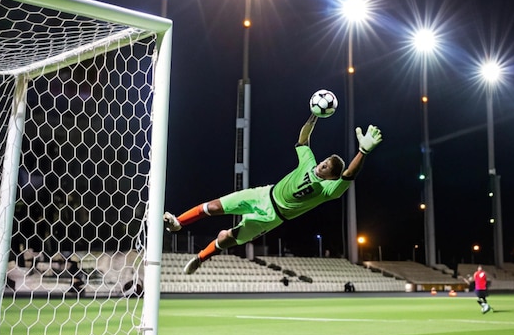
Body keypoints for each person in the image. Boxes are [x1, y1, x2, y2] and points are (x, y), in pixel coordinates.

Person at [163, 113, 383, 274]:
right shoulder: (309, 163)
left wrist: (363, 151)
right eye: (324, 162)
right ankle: (178, 223)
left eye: (326, 167)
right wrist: (314, 116)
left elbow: (348, 175)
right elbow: (303, 140)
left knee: (226, 238)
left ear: (330, 177)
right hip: (263, 194)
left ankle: (200, 258)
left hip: (271, 217)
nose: (321, 166)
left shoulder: (327, 190)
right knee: (212, 207)